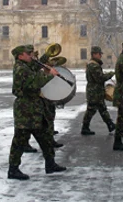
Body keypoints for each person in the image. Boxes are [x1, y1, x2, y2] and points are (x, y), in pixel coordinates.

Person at [8, 45, 67, 180]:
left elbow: (34, 67)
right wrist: (49, 74)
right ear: (20, 56)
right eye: (28, 53)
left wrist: (45, 57)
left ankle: (50, 164)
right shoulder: (20, 69)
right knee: (19, 141)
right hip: (25, 110)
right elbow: (35, 83)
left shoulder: (26, 66)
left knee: (45, 137)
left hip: (34, 108)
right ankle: (13, 169)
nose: (31, 55)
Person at [81, 46, 116, 135]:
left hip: (96, 91)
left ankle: (110, 125)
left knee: (102, 108)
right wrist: (110, 74)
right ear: (94, 54)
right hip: (94, 92)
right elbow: (100, 78)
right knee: (92, 109)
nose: (100, 55)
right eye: (99, 54)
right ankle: (85, 128)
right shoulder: (93, 65)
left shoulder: (94, 64)